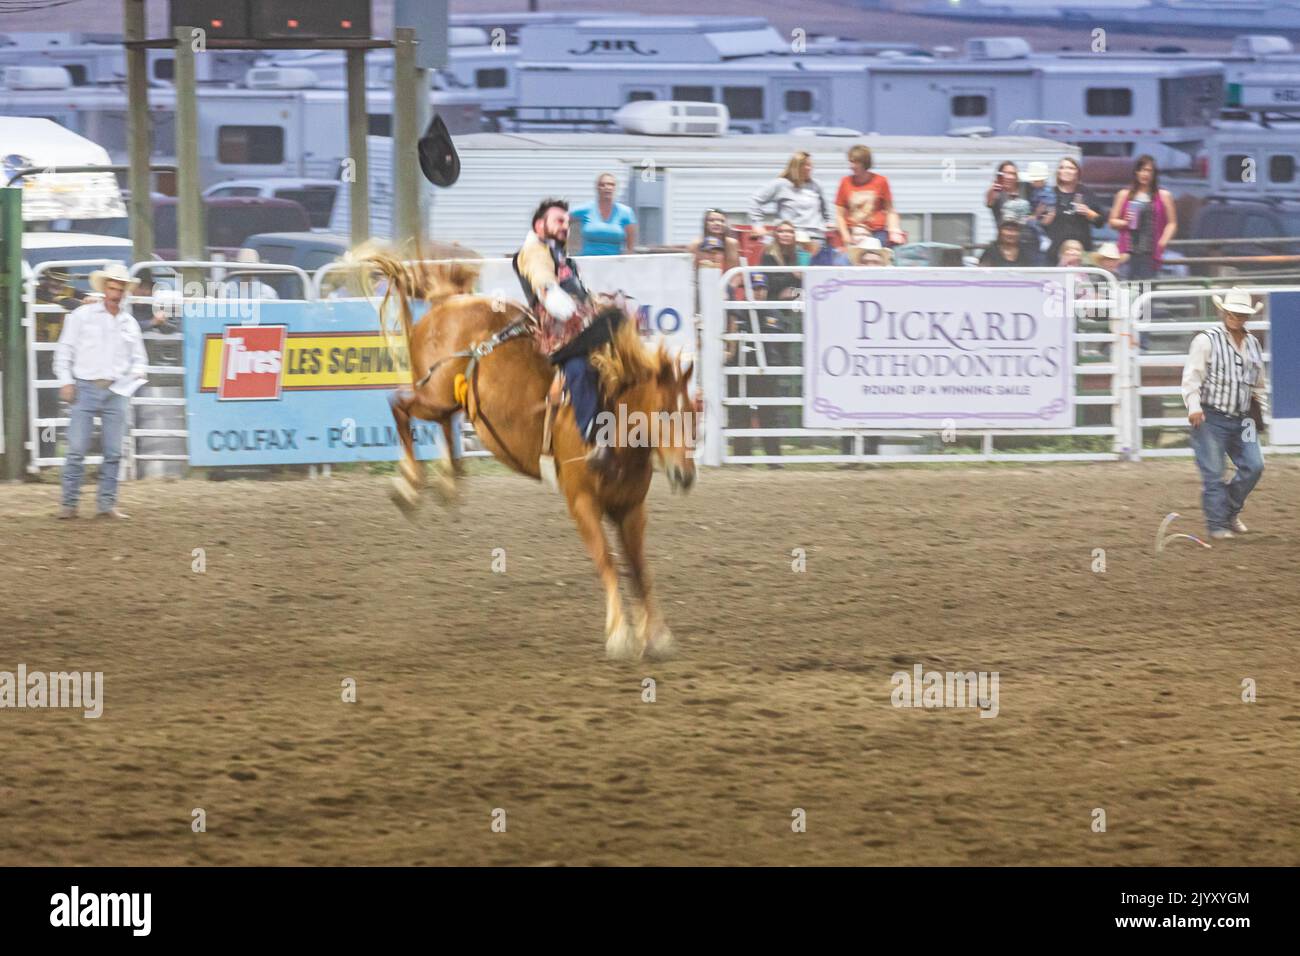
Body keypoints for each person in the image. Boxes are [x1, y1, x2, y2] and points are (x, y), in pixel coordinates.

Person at [513, 197, 617, 471]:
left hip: (580, 328)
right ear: (539, 225)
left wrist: (598, 304)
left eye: (567, 223)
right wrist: (551, 295)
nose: (564, 227)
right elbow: (541, 279)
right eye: (558, 221)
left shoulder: (562, 257)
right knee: (579, 368)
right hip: (558, 335)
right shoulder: (535, 251)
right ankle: (593, 440)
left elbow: (579, 293)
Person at [53, 262, 148, 520]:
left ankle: (105, 505)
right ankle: (70, 503)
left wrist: (136, 374)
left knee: (113, 451)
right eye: (112, 287)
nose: (115, 292)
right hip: (85, 387)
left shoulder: (129, 324)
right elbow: (65, 350)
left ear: (124, 291)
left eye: (119, 288)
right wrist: (66, 380)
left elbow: (140, 358)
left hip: (116, 390)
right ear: (106, 288)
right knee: (76, 449)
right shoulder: (82, 316)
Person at [1181, 288, 1268, 540]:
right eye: (1232, 312)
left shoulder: (1252, 343)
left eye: (1240, 314)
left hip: (1244, 417)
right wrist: (1194, 407)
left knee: (1255, 466)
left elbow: (1258, 383)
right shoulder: (1206, 340)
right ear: (1224, 312)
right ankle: (1217, 523)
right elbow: (1192, 377)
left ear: (1246, 317)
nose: (1235, 317)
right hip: (1211, 416)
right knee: (1214, 472)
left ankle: (1228, 509)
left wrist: (1258, 410)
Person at [1108, 154, 1177, 282]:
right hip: (1128, 252)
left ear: (1154, 174)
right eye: (1142, 170)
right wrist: (1125, 222)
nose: (1145, 174)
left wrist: (1163, 241)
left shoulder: (1164, 195)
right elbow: (1112, 222)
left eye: (1149, 171)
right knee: (1126, 288)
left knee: (1147, 290)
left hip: (1150, 251)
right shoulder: (1124, 194)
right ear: (1136, 172)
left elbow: (1172, 223)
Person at [749, 150, 834, 244]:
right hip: (791, 238)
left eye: (810, 165)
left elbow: (826, 212)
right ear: (795, 167)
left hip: (816, 237)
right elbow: (755, 200)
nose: (809, 168)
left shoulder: (816, 185)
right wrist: (757, 225)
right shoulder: (781, 184)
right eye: (805, 165)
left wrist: (829, 224)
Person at [835, 144, 904, 248]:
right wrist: (846, 236)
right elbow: (839, 215)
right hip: (853, 232)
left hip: (876, 232)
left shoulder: (881, 181)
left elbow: (890, 210)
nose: (852, 166)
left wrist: (894, 230)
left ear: (865, 163)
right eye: (850, 162)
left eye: (856, 162)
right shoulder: (845, 182)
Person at [1042, 157, 1102, 261]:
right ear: (1058, 172)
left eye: (1070, 168)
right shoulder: (1048, 193)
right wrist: (1045, 221)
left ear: (1077, 172)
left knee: (1084, 276)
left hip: (1083, 250)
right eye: (1062, 168)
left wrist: (1088, 212)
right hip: (1055, 250)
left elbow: (1100, 223)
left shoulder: (1086, 192)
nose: (1066, 171)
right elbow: (1038, 225)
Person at [569, 172, 637, 256]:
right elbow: (560, 222)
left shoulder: (626, 212)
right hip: (586, 263)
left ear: (615, 188)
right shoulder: (585, 209)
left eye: (611, 184)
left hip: (614, 264)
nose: (607, 187)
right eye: (602, 185)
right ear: (597, 188)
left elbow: (630, 248)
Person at [760, 221, 804, 301]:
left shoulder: (798, 254)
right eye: (781, 231)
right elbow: (771, 283)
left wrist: (800, 277)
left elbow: (802, 282)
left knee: (808, 295)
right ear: (775, 235)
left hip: (794, 293)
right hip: (773, 296)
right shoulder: (769, 254)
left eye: (790, 232)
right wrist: (793, 274)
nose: (786, 235)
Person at [985, 160, 1022, 232]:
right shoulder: (997, 192)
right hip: (1005, 237)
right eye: (1006, 173)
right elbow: (989, 202)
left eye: (1013, 174)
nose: (1010, 177)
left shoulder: (1023, 189)